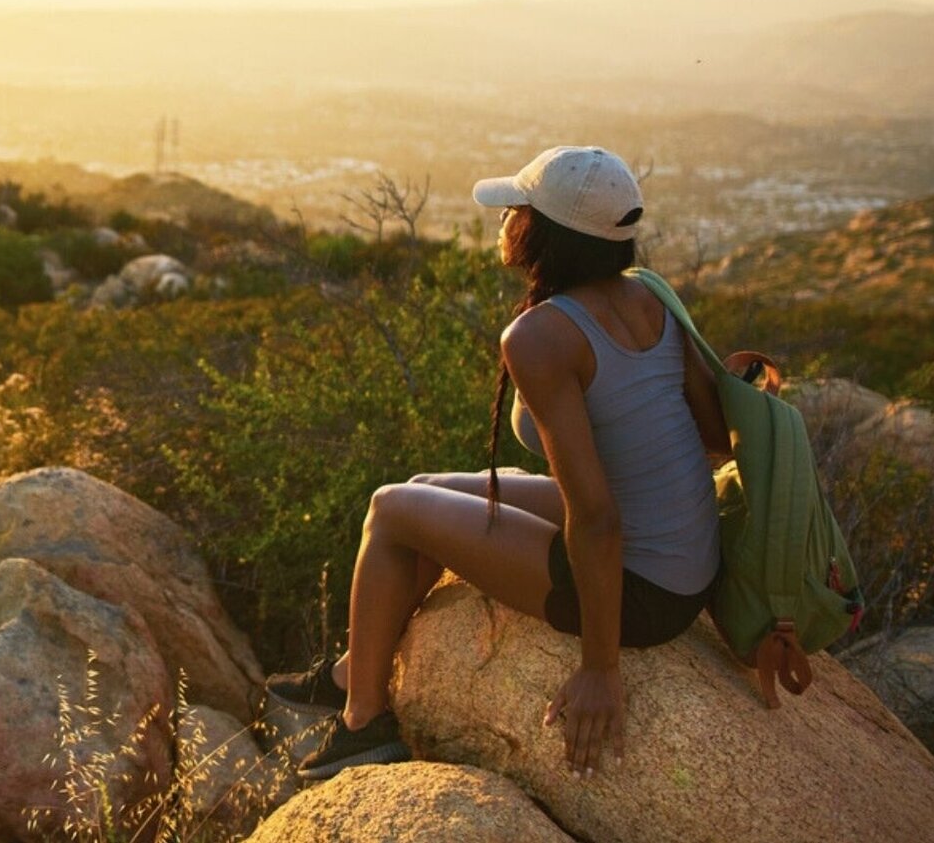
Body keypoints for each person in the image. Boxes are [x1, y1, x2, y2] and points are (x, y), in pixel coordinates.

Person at [271, 145, 728, 782]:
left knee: (389, 507)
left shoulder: (542, 336)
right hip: (684, 564)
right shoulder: (650, 298)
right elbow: (716, 435)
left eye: (517, 209)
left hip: (642, 590)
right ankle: (355, 670)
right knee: (426, 489)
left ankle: (363, 725)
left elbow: (595, 519)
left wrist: (601, 669)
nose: (505, 221)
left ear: (546, 232)